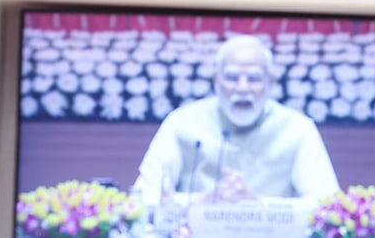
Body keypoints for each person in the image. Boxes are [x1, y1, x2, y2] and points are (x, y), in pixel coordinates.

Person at [133, 35, 339, 206]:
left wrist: (259, 204)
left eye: (254, 79)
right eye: (232, 78)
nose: (242, 88)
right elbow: (143, 197)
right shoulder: (182, 123)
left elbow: (327, 203)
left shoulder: (297, 128)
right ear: (216, 80)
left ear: (270, 82)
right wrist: (202, 201)